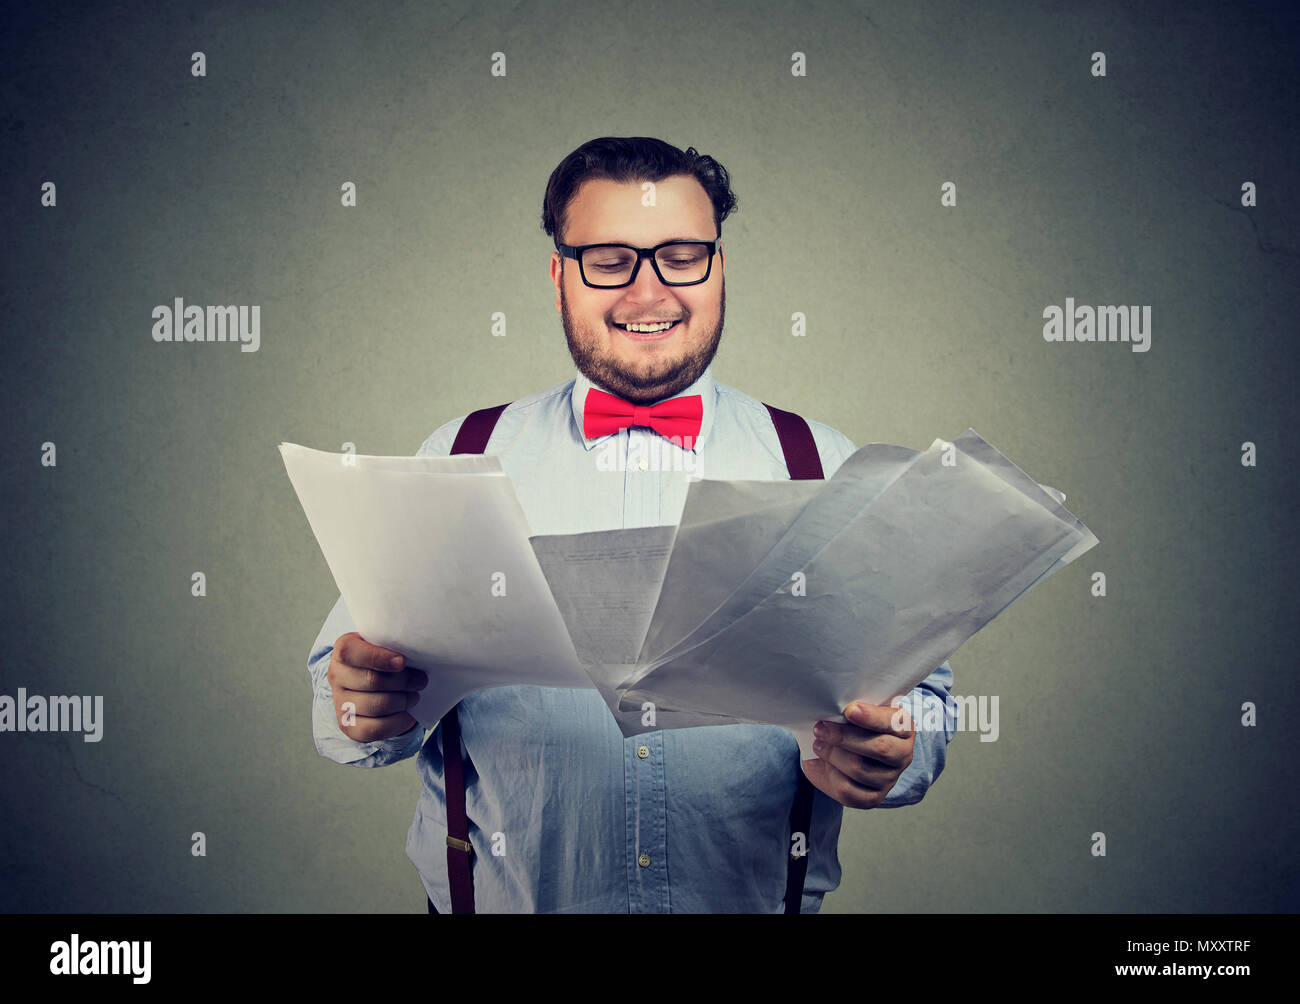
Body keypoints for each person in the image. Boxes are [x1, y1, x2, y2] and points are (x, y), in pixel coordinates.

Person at [306, 136, 955, 913]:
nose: (649, 294)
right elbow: (346, 707)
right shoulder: (459, 455)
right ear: (558, 277)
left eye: (681, 255)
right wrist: (359, 703)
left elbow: (924, 704)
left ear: (720, 268)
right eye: (610, 260)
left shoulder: (823, 462)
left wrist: (890, 752)